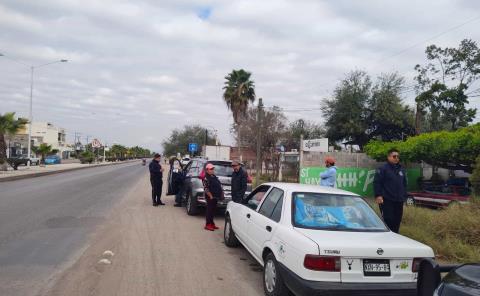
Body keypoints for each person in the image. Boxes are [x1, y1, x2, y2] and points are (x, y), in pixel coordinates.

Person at [373, 148, 407, 233]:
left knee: (397, 220)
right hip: (387, 199)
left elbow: (404, 183)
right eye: (394, 156)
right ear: (388, 157)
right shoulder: (383, 168)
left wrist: (404, 195)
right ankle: (387, 238)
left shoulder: (401, 169)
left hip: (399, 200)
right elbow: (377, 182)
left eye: (398, 156)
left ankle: (395, 236)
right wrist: (378, 195)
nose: (396, 158)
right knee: (389, 220)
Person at [202, 163, 224, 231]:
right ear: (207, 170)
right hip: (210, 197)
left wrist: (222, 193)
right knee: (209, 210)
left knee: (213, 211)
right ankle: (208, 224)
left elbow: (219, 185)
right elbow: (206, 188)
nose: (212, 170)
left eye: (213, 169)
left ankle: (212, 223)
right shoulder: (206, 178)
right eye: (211, 169)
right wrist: (210, 196)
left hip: (216, 196)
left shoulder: (213, 176)